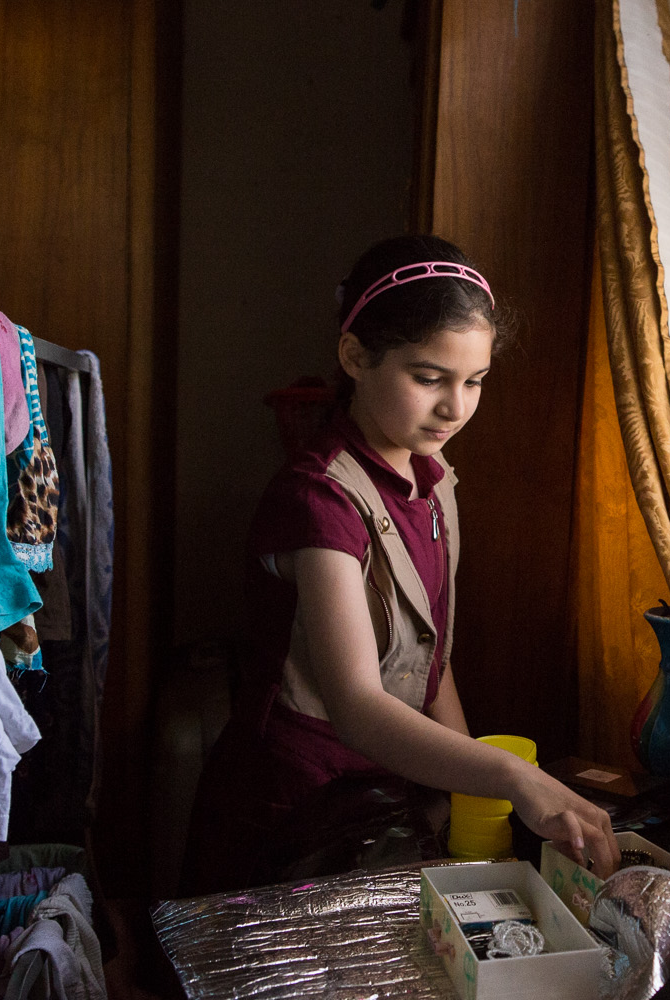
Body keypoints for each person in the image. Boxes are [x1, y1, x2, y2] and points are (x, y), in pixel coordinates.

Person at [181, 235, 617, 893]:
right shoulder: (320, 498)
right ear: (356, 356)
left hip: (386, 803)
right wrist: (511, 775)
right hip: (296, 817)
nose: (456, 406)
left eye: (475, 382)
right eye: (428, 378)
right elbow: (356, 705)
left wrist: (472, 807)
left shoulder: (434, 481)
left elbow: (429, 664)